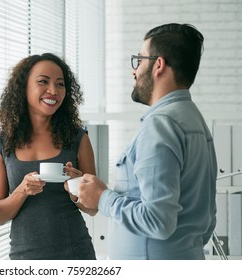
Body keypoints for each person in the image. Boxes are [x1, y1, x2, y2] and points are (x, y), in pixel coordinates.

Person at [78, 23, 218, 259]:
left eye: (139, 60)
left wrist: (102, 197)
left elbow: (157, 221)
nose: (134, 71)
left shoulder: (160, 126)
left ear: (159, 65)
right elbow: (207, 218)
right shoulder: (193, 119)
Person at [0, 53, 97, 260]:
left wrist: (76, 188)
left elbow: (92, 208)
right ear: (23, 87)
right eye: (43, 81)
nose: (53, 91)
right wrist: (22, 191)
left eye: (60, 84)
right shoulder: (1, 145)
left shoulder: (78, 139)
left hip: (76, 254)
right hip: (25, 257)